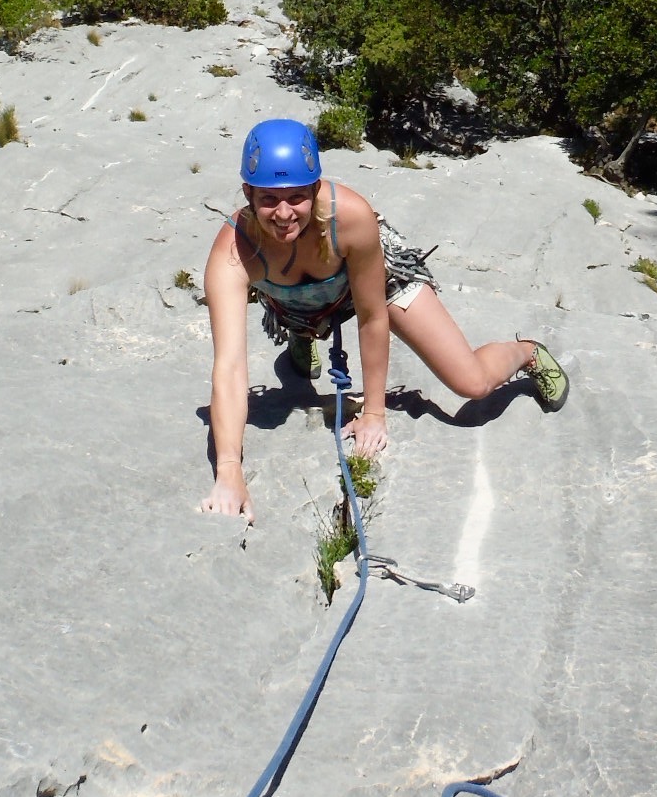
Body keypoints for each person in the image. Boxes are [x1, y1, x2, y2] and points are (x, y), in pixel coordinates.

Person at [201, 117, 569, 521]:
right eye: (269, 199)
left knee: (472, 383)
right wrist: (229, 472)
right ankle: (304, 330)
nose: (284, 213)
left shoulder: (351, 217)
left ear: (316, 189)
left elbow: (373, 316)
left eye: (297, 197)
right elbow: (230, 366)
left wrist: (374, 413)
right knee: (297, 302)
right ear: (248, 193)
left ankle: (527, 352)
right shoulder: (235, 249)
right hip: (294, 298)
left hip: (374, 280)